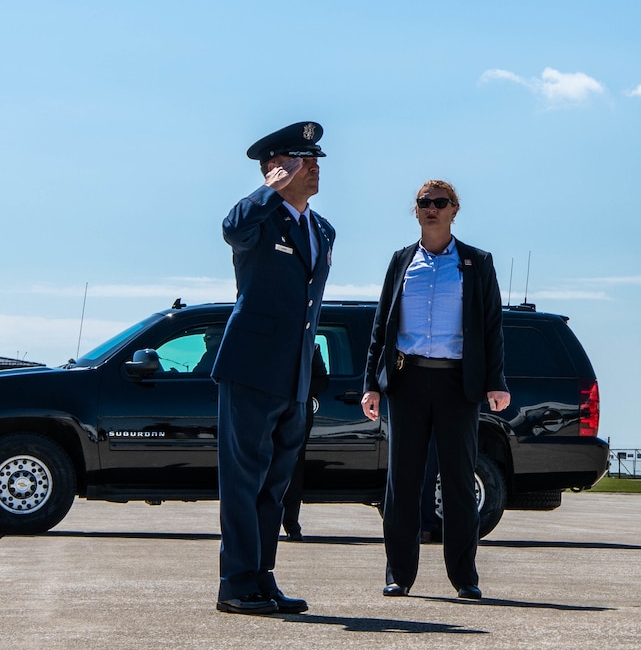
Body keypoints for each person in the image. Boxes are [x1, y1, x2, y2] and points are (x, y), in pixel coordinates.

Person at [362, 180, 509, 598]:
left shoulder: (476, 263)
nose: (431, 209)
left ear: (454, 210)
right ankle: (399, 574)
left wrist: (495, 381)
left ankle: (464, 578)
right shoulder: (401, 261)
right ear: (416, 210)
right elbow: (381, 327)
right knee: (402, 483)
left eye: (439, 203)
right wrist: (372, 384)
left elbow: (491, 326)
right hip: (407, 380)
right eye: (424, 203)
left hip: (456, 383)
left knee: (459, 481)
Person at [211, 122, 333, 615]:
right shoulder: (258, 219)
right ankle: (236, 585)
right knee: (242, 480)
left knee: (275, 485)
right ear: (279, 168)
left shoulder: (321, 229)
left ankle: (262, 578)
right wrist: (268, 189)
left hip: (294, 375)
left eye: (316, 161)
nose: (315, 169)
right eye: (305, 162)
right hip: (252, 367)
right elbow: (230, 229)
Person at [280, 348, 329, 540]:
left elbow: (323, 381)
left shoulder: (311, 347)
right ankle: (263, 523)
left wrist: (297, 387)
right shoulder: (268, 340)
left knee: (294, 468)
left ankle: (291, 523)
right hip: (268, 410)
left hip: (299, 412)